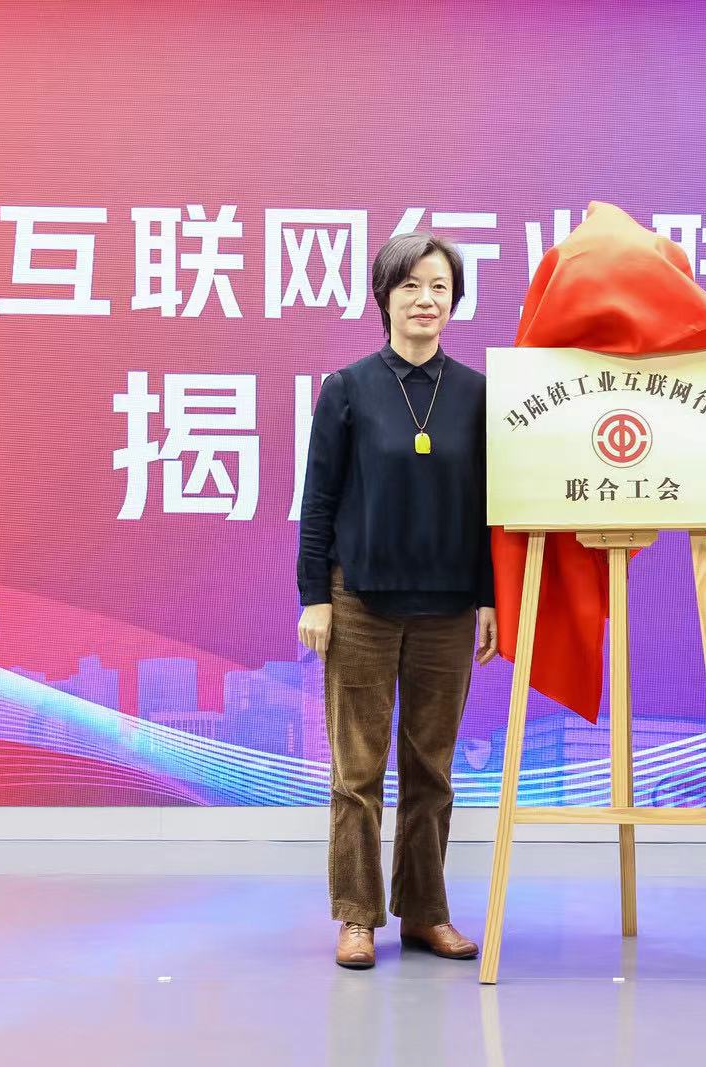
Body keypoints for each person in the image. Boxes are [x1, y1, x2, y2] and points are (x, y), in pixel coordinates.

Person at [296, 231, 498, 970]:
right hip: (361, 602)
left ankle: (426, 912)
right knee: (358, 770)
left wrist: (489, 598)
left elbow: (491, 506)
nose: (425, 299)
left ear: (455, 301)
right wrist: (314, 597)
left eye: (439, 286)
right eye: (410, 285)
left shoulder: (478, 394)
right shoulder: (347, 387)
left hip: (449, 606)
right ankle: (357, 914)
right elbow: (318, 501)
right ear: (384, 296)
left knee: (431, 770)